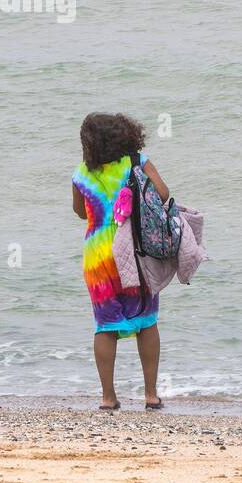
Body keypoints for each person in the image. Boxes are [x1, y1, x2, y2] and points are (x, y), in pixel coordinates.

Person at [71, 112, 170, 411]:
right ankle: (151, 395)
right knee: (147, 321)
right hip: (135, 251)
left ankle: (108, 397)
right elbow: (164, 194)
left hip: (99, 257)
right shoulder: (137, 162)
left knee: (105, 325)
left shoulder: (80, 173)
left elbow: (79, 212)